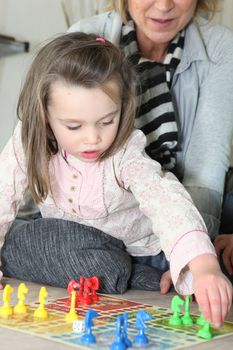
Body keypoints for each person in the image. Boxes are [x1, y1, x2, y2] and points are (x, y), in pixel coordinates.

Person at [0, 32, 232, 327]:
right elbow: (3, 191)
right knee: (26, 236)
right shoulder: (28, 140)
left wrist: (203, 266)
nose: (93, 138)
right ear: (44, 115)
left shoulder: (125, 153)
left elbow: (165, 200)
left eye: (107, 121)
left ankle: (149, 272)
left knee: (192, 257)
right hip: (73, 242)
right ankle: (123, 274)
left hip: (143, 252)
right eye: (73, 126)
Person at [67, 0, 233, 289]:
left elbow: (206, 168)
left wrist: (191, 255)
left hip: (181, 205)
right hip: (107, 206)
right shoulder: (84, 35)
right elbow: (50, 142)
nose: (164, 5)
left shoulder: (222, 47)